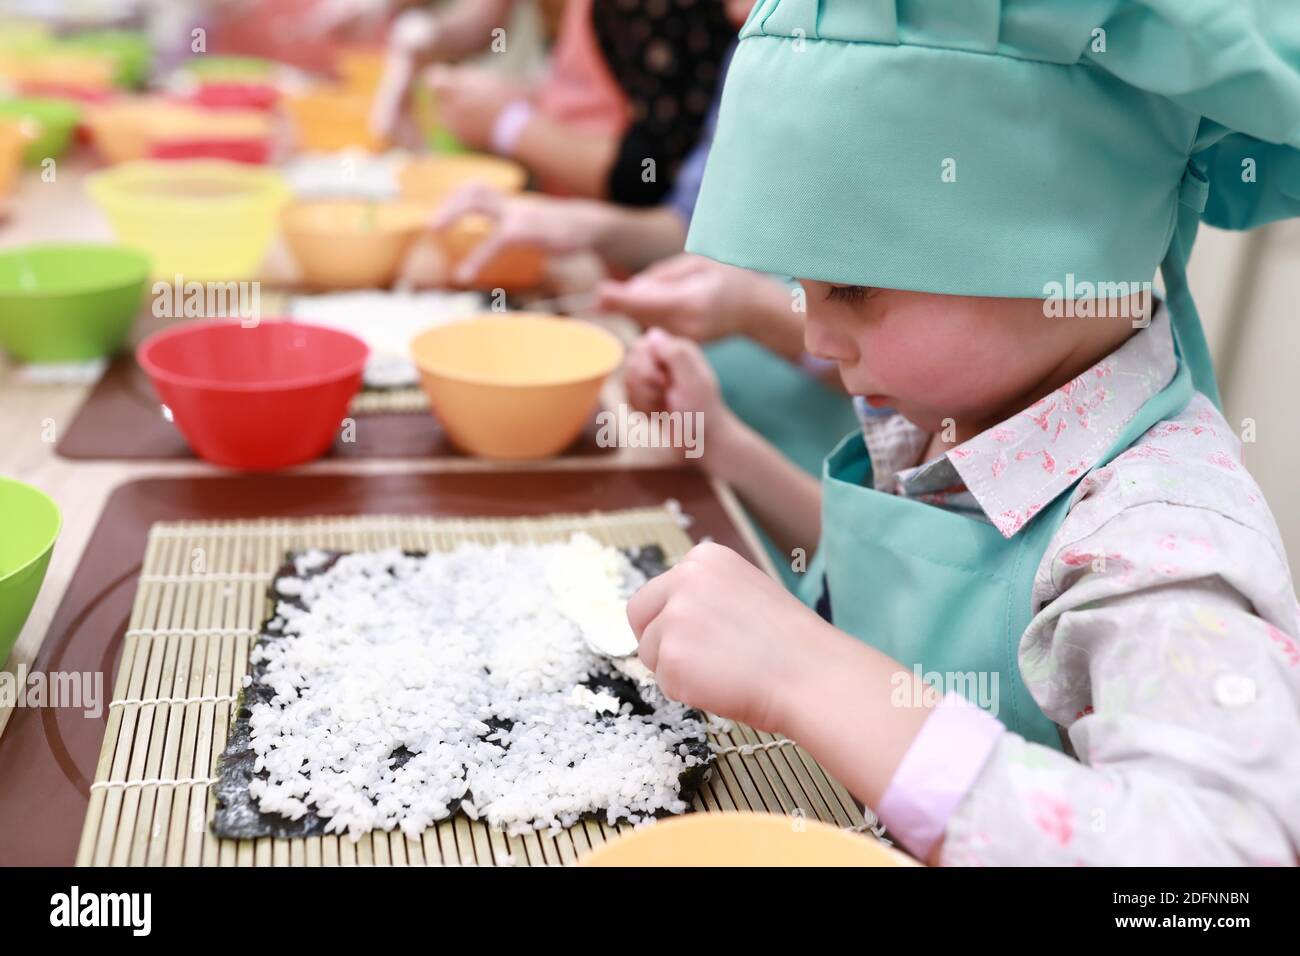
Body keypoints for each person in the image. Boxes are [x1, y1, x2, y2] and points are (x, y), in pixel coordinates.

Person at [623, 0, 1300, 865]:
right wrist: (727, 448)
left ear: (1058, 238)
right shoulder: (957, 421)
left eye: (853, 288)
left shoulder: (1157, 539)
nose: (814, 336)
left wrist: (809, 672)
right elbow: (918, 589)